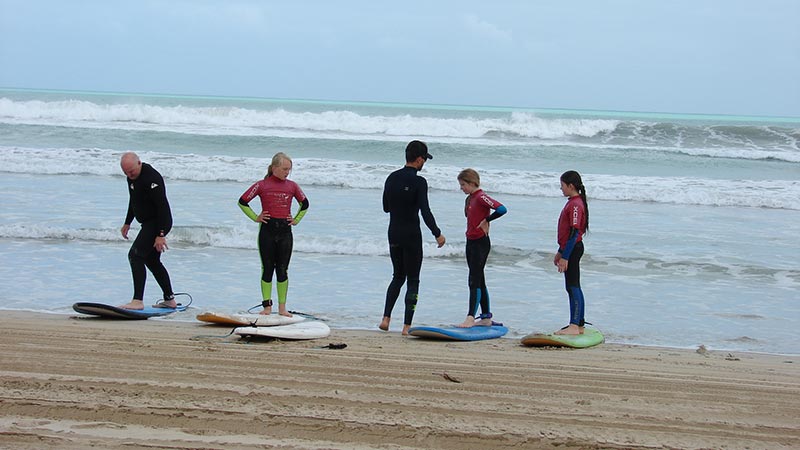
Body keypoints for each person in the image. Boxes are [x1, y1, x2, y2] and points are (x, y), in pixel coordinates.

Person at [380, 140, 446, 335]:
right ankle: (406, 326)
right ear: (418, 159)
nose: (425, 162)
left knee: (397, 276)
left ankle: (385, 318)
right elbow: (425, 211)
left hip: (393, 232)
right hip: (411, 235)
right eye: (425, 159)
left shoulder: (391, 178)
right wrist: (437, 233)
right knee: (413, 279)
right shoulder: (419, 182)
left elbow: (386, 207)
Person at [238, 152, 309, 316]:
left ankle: (282, 308)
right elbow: (242, 201)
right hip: (267, 231)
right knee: (268, 269)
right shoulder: (262, 185)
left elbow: (304, 204)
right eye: (284, 169)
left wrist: (296, 219)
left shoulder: (292, 186)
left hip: (285, 232)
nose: (287, 172)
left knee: (283, 270)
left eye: (289, 170)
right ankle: (267, 307)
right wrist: (256, 217)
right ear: (274, 168)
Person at [118, 152, 176, 310]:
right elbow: (133, 199)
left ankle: (137, 301)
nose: (130, 175)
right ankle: (169, 299)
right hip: (148, 223)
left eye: (131, 171)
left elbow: (162, 206)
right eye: (126, 173)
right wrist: (127, 222)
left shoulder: (152, 178)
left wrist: (160, 234)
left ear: (139, 163)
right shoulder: (131, 177)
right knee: (152, 261)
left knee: (135, 255)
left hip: (158, 222)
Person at [455, 169, 507, 328]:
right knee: (480, 280)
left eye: (463, 184)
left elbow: (502, 209)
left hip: (480, 243)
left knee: (474, 280)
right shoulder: (470, 198)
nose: (461, 188)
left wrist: (487, 219)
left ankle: (470, 317)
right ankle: (485, 318)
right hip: (470, 242)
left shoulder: (481, 197)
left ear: (472, 183)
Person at [553, 170, 589, 335]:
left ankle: (575, 325)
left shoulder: (575, 204)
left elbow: (574, 232)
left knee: (573, 286)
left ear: (571, 186)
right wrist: (560, 251)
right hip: (570, 248)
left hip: (573, 249)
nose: (561, 189)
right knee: (572, 285)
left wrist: (566, 256)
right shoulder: (574, 202)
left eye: (562, 186)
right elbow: (568, 233)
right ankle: (579, 323)